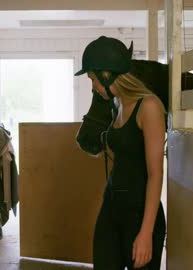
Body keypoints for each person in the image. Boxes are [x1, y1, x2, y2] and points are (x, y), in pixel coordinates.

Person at [75, 36, 166, 270]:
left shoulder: (149, 107)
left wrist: (146, 233)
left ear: (108, 75)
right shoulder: (117, 104)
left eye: (94, 79)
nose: (93, 86)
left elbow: (155, 175)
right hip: (112, 207)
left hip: (139, 213)